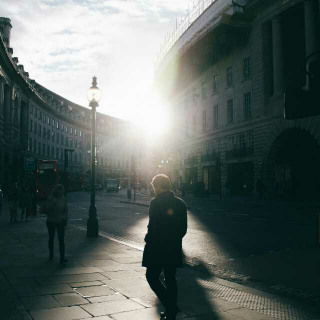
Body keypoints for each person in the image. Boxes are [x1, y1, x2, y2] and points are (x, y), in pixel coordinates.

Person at [142, 174, 188, 320]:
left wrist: (148, 239)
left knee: (151, 277)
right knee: (170, 278)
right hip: (173, 247)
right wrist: (174, 239)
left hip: (157, 248)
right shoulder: (180, 203)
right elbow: (183, 229)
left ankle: (170, 305)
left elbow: (153, 226)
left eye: (154, 187)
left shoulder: (155, 202)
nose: (153, 190)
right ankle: (171, 310)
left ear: (159, 186)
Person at [45, 184, 68, 264]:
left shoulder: (64, 199)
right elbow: (47, 210)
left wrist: (65, 217)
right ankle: (51, 255)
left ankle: (62, 257)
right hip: (51, 221)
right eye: (62, 190)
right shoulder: (51, 198)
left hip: (60, 221)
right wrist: (53, 203)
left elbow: (66, 210)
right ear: (58, 191)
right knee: (51, 238)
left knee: (61, 239)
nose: (64, 191)